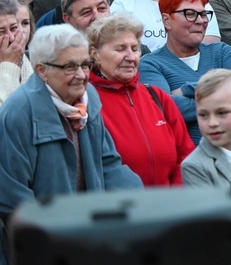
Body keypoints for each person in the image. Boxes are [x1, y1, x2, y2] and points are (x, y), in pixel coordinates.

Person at [0, 24, 142, 223]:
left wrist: (139, 203)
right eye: (69, 67)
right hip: (47, 238)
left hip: (89, 231)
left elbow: (109, 164)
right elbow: (13, 197)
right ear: (41, 70)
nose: (82, 75)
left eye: (85, 64)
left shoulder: (88, 97)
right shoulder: (19, 112)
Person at [139, 0, 231, 145]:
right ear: (166, 20)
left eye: (203, 14)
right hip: (188, 163)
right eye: (190, 14)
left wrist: (186, 89)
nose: (201, 21)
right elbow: (167, 107)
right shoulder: (150, 65)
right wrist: (228, 96)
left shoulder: (221, 51)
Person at [87, 15, 194, 186]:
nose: (130, 57)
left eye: (135, 49)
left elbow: (186, 155)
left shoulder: (156, 96)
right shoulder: (87, 102)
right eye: (120, 49)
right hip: (121, 209)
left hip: (171, 207)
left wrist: (176, 198)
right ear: (95, 54)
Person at [0, 0, 32, 105]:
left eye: (13, 28)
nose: (12, 37)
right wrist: (8, 65)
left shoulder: (22, 56)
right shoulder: (12, 58)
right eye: (1, 32)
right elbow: (12, 111)